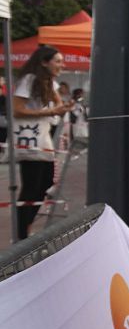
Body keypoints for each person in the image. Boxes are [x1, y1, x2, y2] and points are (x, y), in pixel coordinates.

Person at [11, 45, 70, 239]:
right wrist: (49, 111)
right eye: (58, 61)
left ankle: (25, 228)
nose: (62, 65)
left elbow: (59, 105)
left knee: (45, 183)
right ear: (44, 62)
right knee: (31, 185)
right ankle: (22, 233)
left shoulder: (49, 82)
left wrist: (59, 105)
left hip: (43, 138)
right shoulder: (29, 80)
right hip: (30, 138)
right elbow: (17, 110)